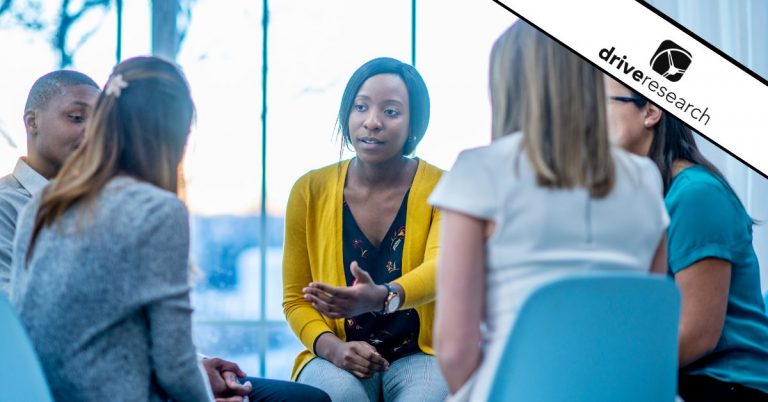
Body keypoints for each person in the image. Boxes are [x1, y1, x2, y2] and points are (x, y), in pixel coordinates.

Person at [4, 68, 327, 402]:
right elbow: (171, 364)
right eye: (75, 117)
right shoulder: (156, 209)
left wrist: (197, 368)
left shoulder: (44, 201)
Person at [428, 21, 669, 401]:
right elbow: (650, 318)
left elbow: (456, 349)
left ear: (508, 85)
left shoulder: (479, 170)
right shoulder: (646, 178)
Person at [282, 57, 449, 402]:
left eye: (391, 111)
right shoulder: (309, 190)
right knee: (339, 397)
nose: (371, 122)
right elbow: (296, 299)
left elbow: (442, 268)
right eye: (361, 107)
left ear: (413, 122)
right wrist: (331, 349)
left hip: (422, 354)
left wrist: (385, 295)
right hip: (336, 351)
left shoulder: (444, 188)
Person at [605, 77, 768, 401]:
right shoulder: (648, 198)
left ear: (651, 111)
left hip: (725, 384)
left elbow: (697, 334)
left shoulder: (696, 194)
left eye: (604, 103)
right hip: (684, 378)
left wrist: (609, 376)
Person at [0, 70, 99, 297]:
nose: (92, 132)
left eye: (100, 123)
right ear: (33, 121)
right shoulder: (6, 205)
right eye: (76, 117)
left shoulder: (100, 206)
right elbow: (10, 306)